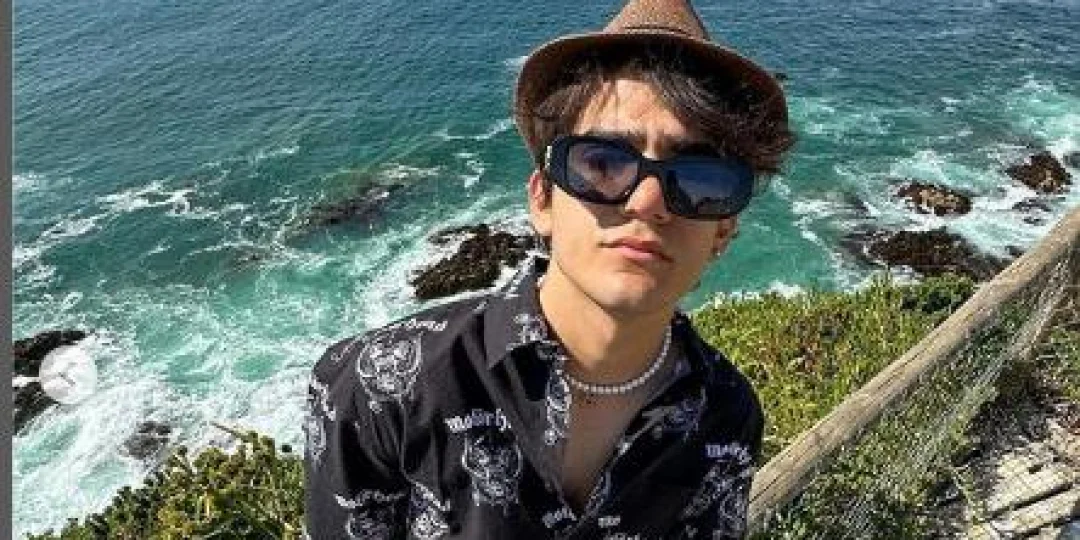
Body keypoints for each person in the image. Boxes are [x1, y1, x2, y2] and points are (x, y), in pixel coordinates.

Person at [303, 0, 794, 538]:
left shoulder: (726, 415)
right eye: (603, 162)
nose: (648, 203)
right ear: (542, 199)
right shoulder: (379, 386)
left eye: (700, 178)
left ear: (723, 230)